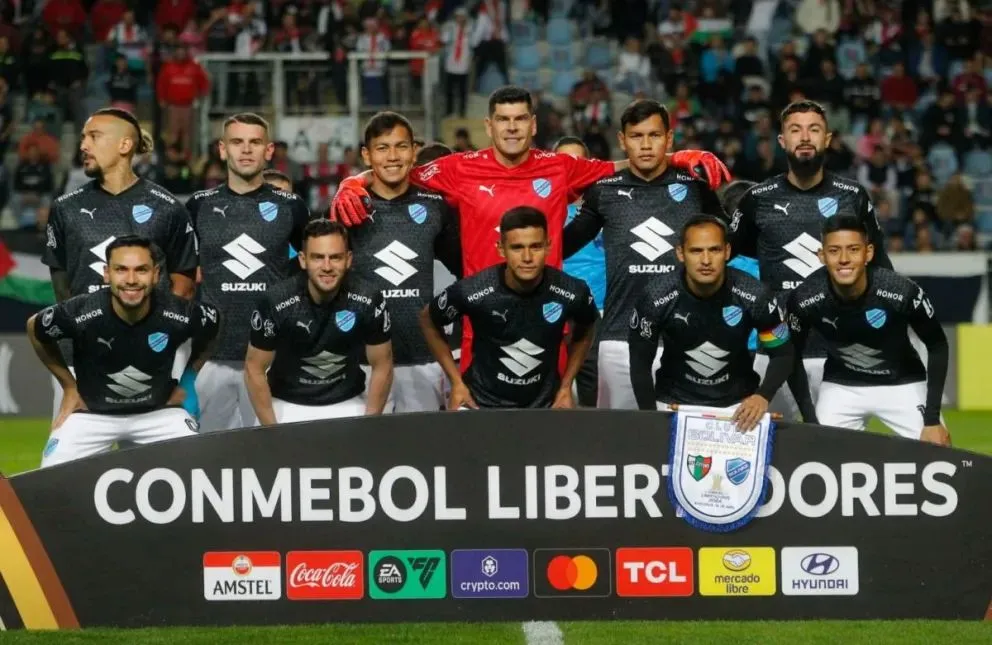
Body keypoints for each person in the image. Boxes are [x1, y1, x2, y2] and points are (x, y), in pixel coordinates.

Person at [331, 86, 730, 370]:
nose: (512, 128)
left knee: (546, 427)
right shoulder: (458, 168)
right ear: (489, 125)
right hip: (480, 318)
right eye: (503, 120)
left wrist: (678, 157)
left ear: (533, 124)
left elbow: (622, 166)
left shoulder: (559, 167)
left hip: (547, 315)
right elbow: (397, 167)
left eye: (520, 118)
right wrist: (354, 181)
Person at [729, 100, 892, 419]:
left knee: (840, 457)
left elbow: (881, 268)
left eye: (814, 129)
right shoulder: (757, 200)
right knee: (771, 457)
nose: (805, 137)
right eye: (795, 130)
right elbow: (722, 262)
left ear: (827, 139)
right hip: (773, 354)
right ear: (782, 141)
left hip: (841, 356)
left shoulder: (853, 196)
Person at [563, 100, 726, 409]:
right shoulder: (604, 191)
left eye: (654, 135)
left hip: (689, 338)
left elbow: (729, 244)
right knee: (620, 444)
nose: (646, 145)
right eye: (637, 136)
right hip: (619, 340)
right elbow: (562, 246)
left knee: (683, 444)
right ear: (622, 141)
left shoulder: (695, 187)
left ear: (669, 139)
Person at [41, 107, 198, 420]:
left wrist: (158, 334)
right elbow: (62, 287)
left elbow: (184, 284)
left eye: (93, 137)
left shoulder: (167, 207)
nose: (83, 145)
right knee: (69, 466)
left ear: (124, 146)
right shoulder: (64, 209)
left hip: (152, 355)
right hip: (81, 358)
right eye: (83, 137)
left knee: (155, 463)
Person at [27, 236, 219, 468]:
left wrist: (188, 379)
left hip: (159, 413)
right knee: (49, 476)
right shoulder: (80, 312)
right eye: (121, 270)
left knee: (200, 470)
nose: (131, 280)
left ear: (156, 274)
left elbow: (213, 326)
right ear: (107, 273)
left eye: (141, 270)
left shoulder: (179, 312)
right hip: (91, 416)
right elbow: (35, 327)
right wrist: (69, 386)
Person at [186, 113, 315, 432]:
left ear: (269, 151)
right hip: (212, 359)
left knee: (272, 455)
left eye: (255, 142)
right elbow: (182, 278)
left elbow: (312, 273)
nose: (246, 150)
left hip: (274, 356)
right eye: (237, 142)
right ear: (222, 149)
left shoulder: (292, 207)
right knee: (209, 457)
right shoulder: (198, 206)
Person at [786, 215, 950, 445]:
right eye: (834, 251)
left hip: (902, 382)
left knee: (938, 449)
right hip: (842, 386)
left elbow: (938, 345)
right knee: (816, 449)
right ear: (821, 256)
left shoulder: (901, 292)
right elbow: (789, 355)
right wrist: (810, 417)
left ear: (869, 253)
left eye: (853, 249)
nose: (844, 259)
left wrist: (931, 420)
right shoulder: (804, 298)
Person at [419, 207, 599, 409]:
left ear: (548, 246)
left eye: (536, 246)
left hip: (545, 406)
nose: (527, 257)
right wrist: (456, 382)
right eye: (517, 248)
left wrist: (566, 386)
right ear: (501, 249)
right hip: (481, 404)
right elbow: (429, 320)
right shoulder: (473, 290)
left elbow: (587, 327)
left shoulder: (572, 291)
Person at [629, 216, 795, 432]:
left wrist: (763, 396)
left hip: (739, 408)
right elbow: (640, 365)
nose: (706, 260)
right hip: (674, 404)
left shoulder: (756, 295)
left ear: (727, 251)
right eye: (696, 251)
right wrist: (650, 417)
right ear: (680, 253)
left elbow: (783, 353)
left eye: (714, 250)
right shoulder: (654, 298)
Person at [347, 112, 462, 412]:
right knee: (369, 454)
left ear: (413, 151)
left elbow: (466, 268)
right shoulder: (349, 207)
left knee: (424, 454)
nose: (393, 156)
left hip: (423, 360)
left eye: (401, 146)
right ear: (367, 154)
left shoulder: (436, 207)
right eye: (382, 148)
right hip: (362, 362)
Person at [244, 220, 393, 423]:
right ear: (303, 260)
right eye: (317, 257)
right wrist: (272, 431)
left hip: (349, 402)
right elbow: (254, 368)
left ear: (349, 259)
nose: (327, 267)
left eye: (335, 257)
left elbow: (383, 364)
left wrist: (370, 422)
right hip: (285, 404)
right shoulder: (275, 301)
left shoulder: (369, 298)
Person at [555, 135, 603, 408]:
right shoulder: (542, 209)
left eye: (578, 161)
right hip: (552, 313)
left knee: (592, 396)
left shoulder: (605, 207)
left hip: (597, 314)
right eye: (564, 161)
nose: (572, 167)